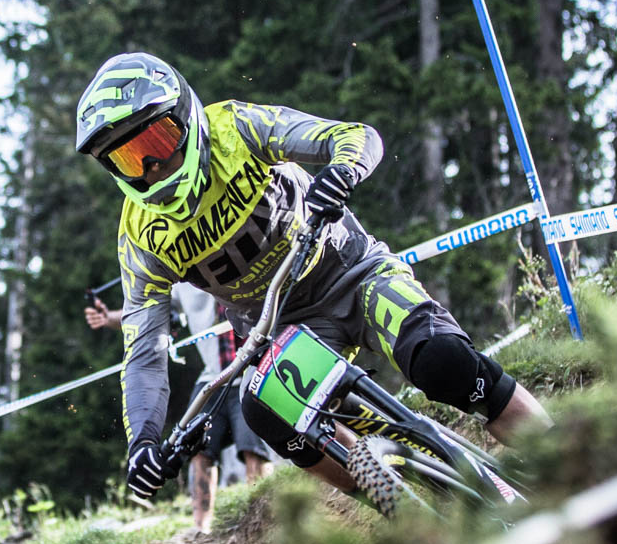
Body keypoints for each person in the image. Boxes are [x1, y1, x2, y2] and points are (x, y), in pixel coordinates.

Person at [72, 51, 551, 506]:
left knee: (445, 361)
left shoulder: (236, 127)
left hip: (351, 273)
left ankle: (565, 458)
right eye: (128, 159)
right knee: (268, 414)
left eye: (154, 142)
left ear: (185, 114)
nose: (151, 166)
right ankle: (396, 503)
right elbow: (144, 348)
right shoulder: (140, 235)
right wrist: (144, 439)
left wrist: (344, 171)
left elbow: (356, 136)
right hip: (282, 330)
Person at [85, 284, 273, 533]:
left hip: (255, 366)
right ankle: (200, 529)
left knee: (253, 449)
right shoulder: (183, 285)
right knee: (197, 447)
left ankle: (263, 522)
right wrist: (108, 317)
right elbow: (147, 312)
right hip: (214, 376)